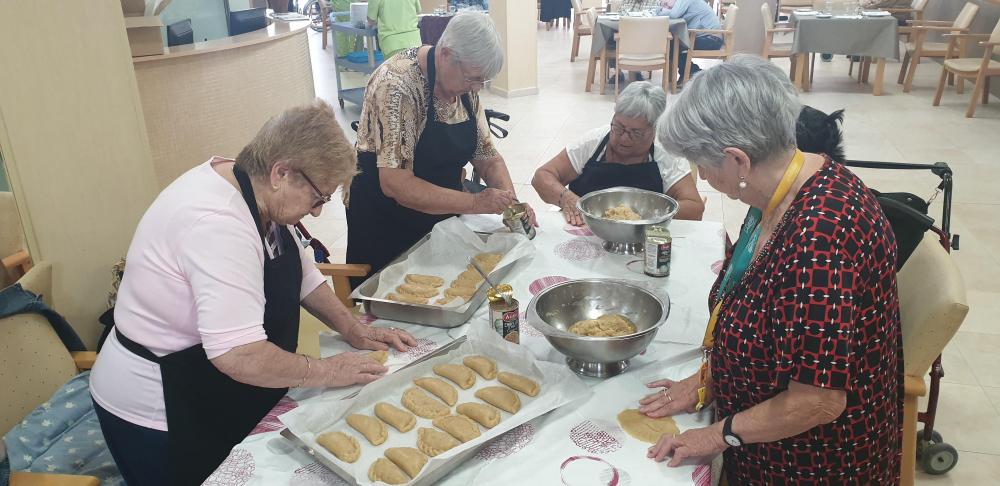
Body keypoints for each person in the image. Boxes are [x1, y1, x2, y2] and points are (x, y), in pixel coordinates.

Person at [89, 100, 417, 485]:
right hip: (160, 407)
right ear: (281, 173)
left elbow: (302, 275)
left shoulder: (257, 188)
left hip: (211, 385)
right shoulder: (218, 223)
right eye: (318, 198)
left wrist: (352, 328)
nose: (316, 212)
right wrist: (327, 370)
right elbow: (239, 355)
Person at [642, 55, 902, 484]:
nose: (702, 177)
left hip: (811, 463)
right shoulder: (779, 186)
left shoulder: (820, 242)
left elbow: (816, 401)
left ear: (738, 160)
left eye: (702, 164)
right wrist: (709, 379)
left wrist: (717, 435)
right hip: (765, 433)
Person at [347, 12, 536, 288]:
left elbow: (488, 158)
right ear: (446, 54)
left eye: (481, 82)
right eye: (472, 79)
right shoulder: (398, 85)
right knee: (397, 297)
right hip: (386, 222)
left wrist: (512, 206)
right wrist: (475, 203)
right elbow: (396, 183)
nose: (475, 89)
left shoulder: (465, 88)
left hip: (439, 216)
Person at [532, 81, 704, 225]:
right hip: (585, 229)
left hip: (642, 237)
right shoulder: (593, 143)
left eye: (636, 133)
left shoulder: (665, 153)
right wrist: (567, 199)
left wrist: (647, 214)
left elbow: (695, 208)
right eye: (618, 127)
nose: (624, 138)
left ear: (654, 130)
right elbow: (542, 177)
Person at [656, 0, 722, 81]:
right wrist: (666, 7)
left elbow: (674, 14)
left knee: (675, 46)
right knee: (674, 44)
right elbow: (673, 13)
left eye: (666, 3)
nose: (666, 6)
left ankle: (694, 74)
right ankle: (691, 74)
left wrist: (661, 10)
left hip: (712, 39)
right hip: (705, 36)